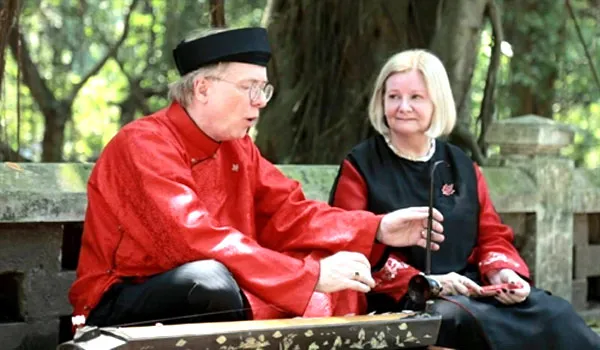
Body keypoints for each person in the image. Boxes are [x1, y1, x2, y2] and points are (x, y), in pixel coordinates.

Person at [68, 28, 447, 328]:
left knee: (332, 261)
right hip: (125, 297)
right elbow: (193, 241)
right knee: (210, 281)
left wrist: (377, 228)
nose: (261, 101)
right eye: (250, 87)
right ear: (203, 88)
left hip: (226, 287)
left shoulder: (238, 147)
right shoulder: (143, 144)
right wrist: (309, 277)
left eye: (263, 88)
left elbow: (291, 213)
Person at [329, 49, 600, 349]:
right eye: (393, 97)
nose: (403, 107)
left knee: (555, 314)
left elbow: (491, 235)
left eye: (416, 97)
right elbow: (350, 244)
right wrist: (427, 282)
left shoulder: (461, 165)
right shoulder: (361, 164)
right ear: (381, 101)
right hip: (403, 295)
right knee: (457, 322)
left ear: (437, 102)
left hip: (472, 288)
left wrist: (502, 273)